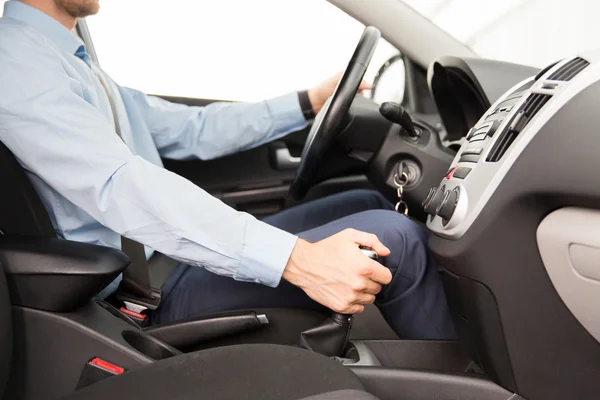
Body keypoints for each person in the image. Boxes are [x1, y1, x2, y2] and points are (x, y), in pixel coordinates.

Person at [0, 0, 456, 339]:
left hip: (168, 258)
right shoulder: (17, 62)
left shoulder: (74, 63)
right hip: (138, 297)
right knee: (397, 241)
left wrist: (309, 101)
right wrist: (299, 261)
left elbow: (192, 129)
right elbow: (119, 184)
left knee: (367, 202)